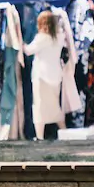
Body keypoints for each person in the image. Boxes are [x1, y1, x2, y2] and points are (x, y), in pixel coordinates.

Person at [23, 9, 70, 140]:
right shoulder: (59, 37)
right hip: (55, 76)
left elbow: (28, 51)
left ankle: (39, 136)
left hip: (41, 76)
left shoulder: (41, 38)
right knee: (55, 106)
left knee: (39, 106)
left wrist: (21, 42)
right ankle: (64, 131)